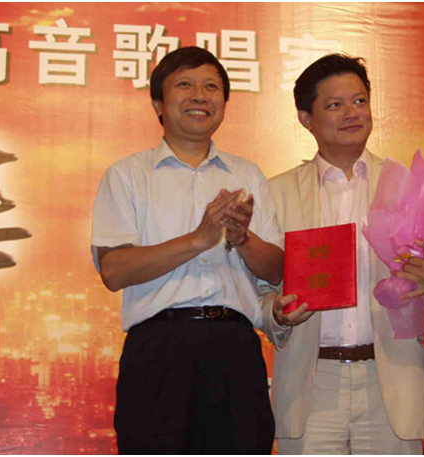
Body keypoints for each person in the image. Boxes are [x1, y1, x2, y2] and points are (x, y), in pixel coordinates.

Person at [259, 54, 424, 454]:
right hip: (310, 383)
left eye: (359, 101)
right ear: (306, 118)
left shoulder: (409, 186)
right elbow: (258, 291)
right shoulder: (276, 193)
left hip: (391, 379)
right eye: (334, 105)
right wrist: (276, 313)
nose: (352, 113)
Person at [91, 46, 283, 454]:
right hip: (157, 349)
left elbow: (277, 270)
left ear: (224, 103)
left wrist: (242, 238)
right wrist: (199, 238)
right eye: (184, 85)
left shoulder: (248, 174)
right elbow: (114, 270)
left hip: (235, 349)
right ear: (158, 104)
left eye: (211, 87)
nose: (200, 96)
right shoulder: (127, 175)